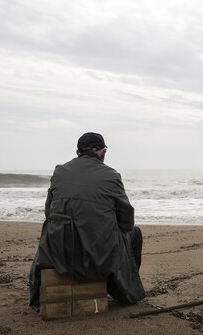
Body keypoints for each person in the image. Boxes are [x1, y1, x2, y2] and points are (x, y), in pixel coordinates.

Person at [29, 132, 145, 310]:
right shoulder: (111, 176)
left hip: (58, 255)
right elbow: (126, 220)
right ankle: (123, 290)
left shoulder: (59, 171)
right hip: (99, 256)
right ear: (103, 153)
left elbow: (49, 212)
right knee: (134, 234)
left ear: (78, 152)